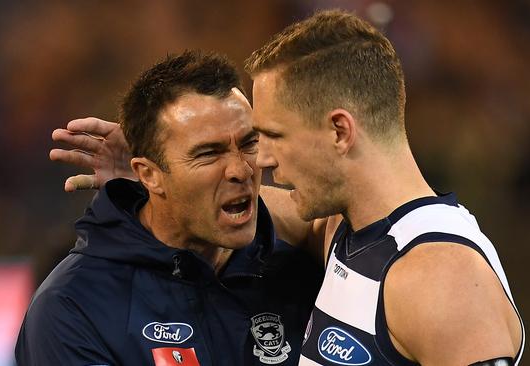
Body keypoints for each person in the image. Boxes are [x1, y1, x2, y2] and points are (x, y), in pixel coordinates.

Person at [55, 10, 525, 366]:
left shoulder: (442, 280)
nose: (262, 161)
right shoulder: (344, 231)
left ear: (339, 131)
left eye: (271, 137)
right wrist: (164, 169)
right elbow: (233, 208)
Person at [16, 50, 324, 366]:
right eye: (208, 153)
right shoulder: (74, 308)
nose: (242, 170)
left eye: (248, 143)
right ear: (148, 174)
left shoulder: (302, 264)